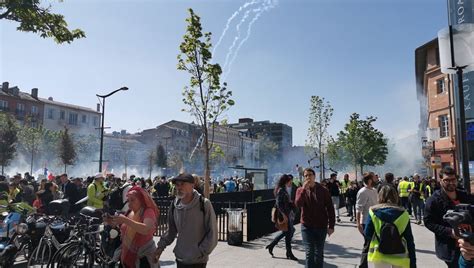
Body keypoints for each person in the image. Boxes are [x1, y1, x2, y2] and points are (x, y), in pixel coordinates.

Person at [155, 173, 217, 267]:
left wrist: (201, 251)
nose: (179, 187)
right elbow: (171, 231)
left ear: (192, 185)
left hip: (198, 261)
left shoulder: (204, 204)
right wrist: (160, 248)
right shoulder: (174, 205)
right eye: (177, 185)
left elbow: (212, 233)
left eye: (182, 184)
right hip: (180, 258)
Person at [424, 166, 474, 267]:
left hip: (469, 243)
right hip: (451, 249)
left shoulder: (465, 195)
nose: (451, 183)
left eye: (453, 179)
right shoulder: (433, 201)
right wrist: (450, 232)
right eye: (447, 180)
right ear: (441, 180)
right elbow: (429, 222)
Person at [105, 185, 159, 267]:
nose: (129, 204)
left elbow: (146, 229)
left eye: (132, 200)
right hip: (127, 254)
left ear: (141, 200)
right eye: (128, 201)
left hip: (143, 258)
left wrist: (125, 220)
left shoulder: (148, 211)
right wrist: (110, 221)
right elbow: (122, 226)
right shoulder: (130, 212)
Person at [364, 185, 416, 268]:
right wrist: (413, 263)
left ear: (380, 196)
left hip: (379, 253)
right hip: (400, 254)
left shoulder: (373, 212)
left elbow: (367, 234)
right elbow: (409, 240)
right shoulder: (404, 213)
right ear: (395, 196)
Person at [295, 168, 335, 268]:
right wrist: (304, 190)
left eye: (310, 175)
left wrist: (331, 226)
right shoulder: (300, 190)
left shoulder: (323, 190)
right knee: (309, 252)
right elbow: (298, 204)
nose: (308, 177)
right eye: (305, 176)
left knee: (319, 252)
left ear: (314, 176)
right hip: (307, 226)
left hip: (321, 226)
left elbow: (330, 208)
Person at [265, 174, 298, 261]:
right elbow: (279, 204)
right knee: (288, 231)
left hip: (287, 213)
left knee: (287, 232)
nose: (290, 182)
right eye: (289, 180)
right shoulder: (281, 190)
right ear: (285, 181)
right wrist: (284, 215)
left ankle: (273, 246)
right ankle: (288, 252)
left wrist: (290, 202)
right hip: (284, 214)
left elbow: (283, 202)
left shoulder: (283, 189)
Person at [356, 172, 379, 268]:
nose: (376, 179)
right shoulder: (362, 192)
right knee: (368, 244)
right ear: (370, 181)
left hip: (376, 221)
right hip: (366, 222)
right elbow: (358, 209)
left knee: (374, 245)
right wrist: (358, 224)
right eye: (374, 178)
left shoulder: (374, 190)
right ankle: (362, 266)